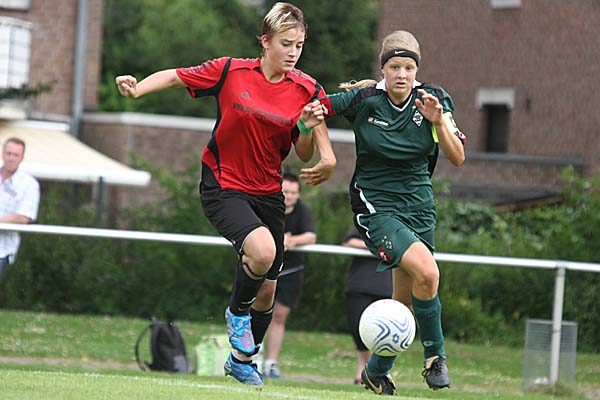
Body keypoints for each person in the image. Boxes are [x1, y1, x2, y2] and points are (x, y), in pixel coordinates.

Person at [115, 2, 336, 386]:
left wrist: (314, 141)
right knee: (263, 252)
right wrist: (138, 89)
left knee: (268, 291)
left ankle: (241, 360)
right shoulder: (231, 71)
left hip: (268, 193)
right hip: (223, 185)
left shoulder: (307, 89)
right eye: (285, 44)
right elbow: (176, 77)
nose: (293, 53)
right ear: (265, 41)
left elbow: (304, 152)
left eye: (299, 45)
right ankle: (236, 313)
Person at [312, 30, 466, 393]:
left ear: (417, 70)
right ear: (383, 69)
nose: (402, 74)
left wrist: (438, 121)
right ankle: (435, 357)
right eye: (395, 67)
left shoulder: (434, 100)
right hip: (376, 206)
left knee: (405, 299)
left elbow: (458, 157)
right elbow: (314, 109)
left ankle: (376, 370)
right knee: (428, 272)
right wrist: (327, 156)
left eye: (408, 68)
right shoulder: (365, 100)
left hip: (420, 206)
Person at [263, 172, 316, 379]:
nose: (290, 196)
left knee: (279, 316)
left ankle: (271, 363)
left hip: (291, 270)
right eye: (286, 191)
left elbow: (310, 236)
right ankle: (251, 357)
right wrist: (277, 239)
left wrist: (292, 241)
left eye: (294, 192)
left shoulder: (303, 211)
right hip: (265, 268)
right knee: (255, 311)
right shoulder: (268, 206)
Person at [342, 228, 392, 385]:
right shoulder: (367, 223)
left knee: (385, 333)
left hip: (387, 287)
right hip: (359, 285)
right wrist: (374, 247)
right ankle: (366, 370)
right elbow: (348, 241)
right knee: (358, 328)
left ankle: (378, 371)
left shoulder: (399, 227)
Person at [0, 137, 40, 283]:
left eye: (16, 155)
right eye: (8, 153)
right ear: (2, 153)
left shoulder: (29, 184)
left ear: (22, 158)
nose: (11, 158)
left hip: (2, 250)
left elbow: (23, 217)